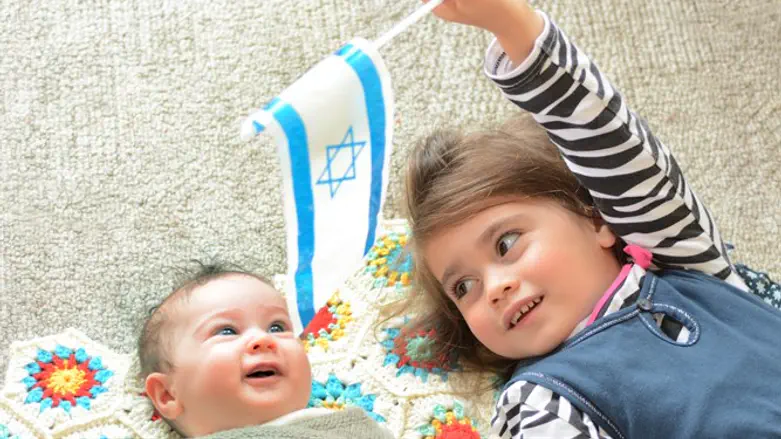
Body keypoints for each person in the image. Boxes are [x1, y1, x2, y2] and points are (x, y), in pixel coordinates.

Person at [397, 0, 781, 437]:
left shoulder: (681, 257)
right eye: (463, 288)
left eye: (506, 244)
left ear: (596, 220)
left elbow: (611, 142)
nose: (495, 288)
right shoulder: (544, 405)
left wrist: (516, 27)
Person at [137, 263, 393, 438]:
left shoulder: (350, 426)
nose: (263, 339)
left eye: (277, 326)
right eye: (227, 331)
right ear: (168, 394)